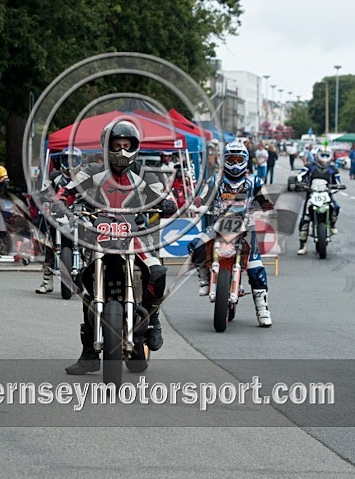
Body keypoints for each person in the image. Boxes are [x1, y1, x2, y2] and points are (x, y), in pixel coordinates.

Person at [52, 119, 177, 375]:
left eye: (126, 145)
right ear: (106, 146)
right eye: (116, 145)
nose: (121, 151)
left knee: (157, 272)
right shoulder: (92, 172)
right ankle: (88, 354)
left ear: (135, 147)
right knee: (85, 283)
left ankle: (152, 320)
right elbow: (67, 190)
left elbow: (166, 195)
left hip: (134, 237)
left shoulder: (144, 175)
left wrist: (167, 203)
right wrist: (60, 201)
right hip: (100, 236)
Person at [188, 141, 275, 327]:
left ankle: (262, 309)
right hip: (218, 225)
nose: (235, 163)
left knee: (256, 270)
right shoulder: (214, 181)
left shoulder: (255, 181)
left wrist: (266, 207)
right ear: (224, 160)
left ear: (245, 160)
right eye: (231, 159)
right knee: (195, 244)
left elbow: (266, 200)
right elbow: (202, 198)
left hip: (246, 229)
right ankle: (204, 277)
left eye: (238, 159)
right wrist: (197, 204)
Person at [35, 147, 83, 294]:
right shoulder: (55, 176)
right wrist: (44, 196)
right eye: (66, 159)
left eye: (73, 160)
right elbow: (44, 191)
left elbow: (93, 193)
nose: (70, 163)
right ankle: (47, 280)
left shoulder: (83, 177)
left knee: (89, 245)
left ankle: (88, 275)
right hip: (59, 216)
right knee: (49, 245)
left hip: (79, 215)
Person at [296, 149, 342, 255]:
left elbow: (338, 182)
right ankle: (303, 245)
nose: (325, 159)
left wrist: (336, 187)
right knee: (305, 219)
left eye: (327, 156)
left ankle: (333, 225)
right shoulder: (310, 167)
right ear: (317, 156)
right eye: (323, 156)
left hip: (326, 194)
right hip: (312, 194)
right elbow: (300, 176)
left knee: (336, 207)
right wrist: (300, 183)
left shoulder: (333, 169)